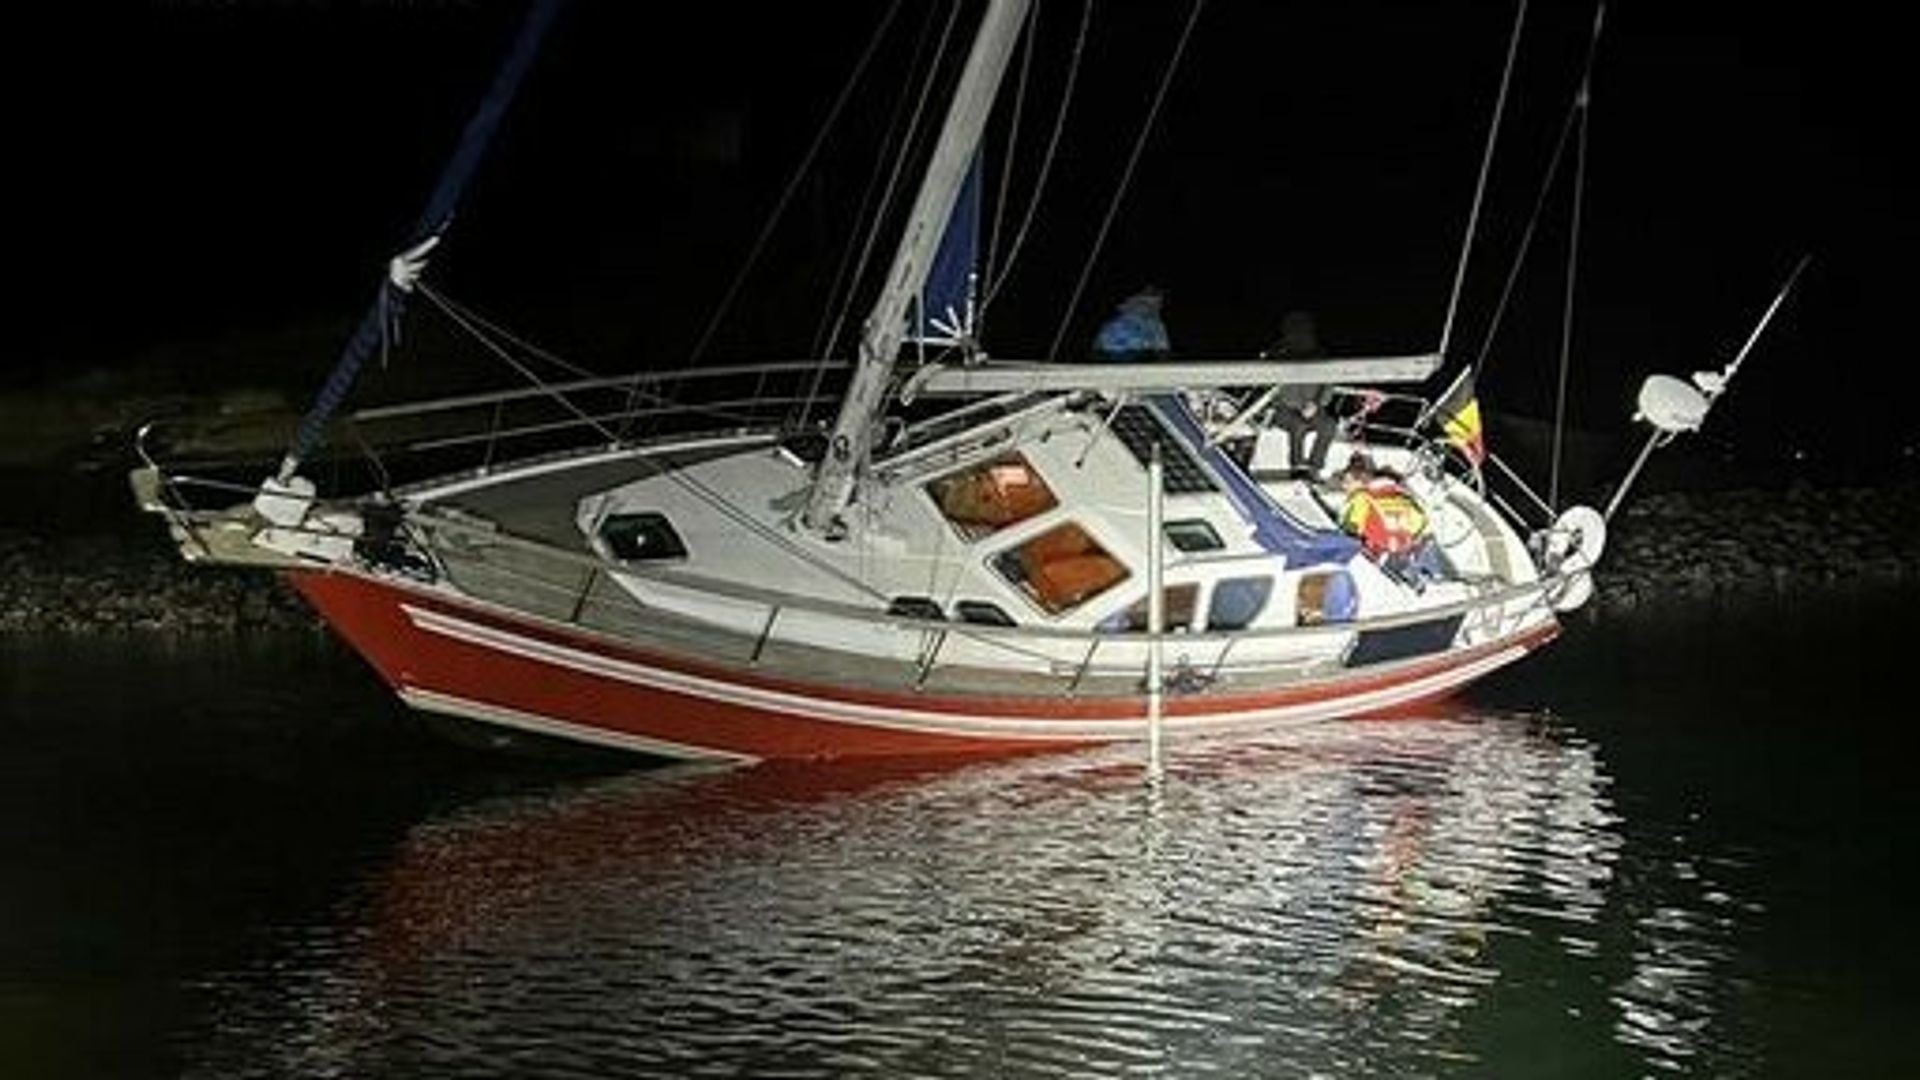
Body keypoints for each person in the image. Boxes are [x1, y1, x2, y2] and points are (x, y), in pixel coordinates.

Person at [1338, 452, 1443, 587]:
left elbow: (1347, 532)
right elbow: (1421, 525)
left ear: (1361, 482)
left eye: (1347, 482)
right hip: (1403, 555)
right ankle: (1430, 576)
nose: (1344, 487)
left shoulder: (1361, 499)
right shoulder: (1402, 496)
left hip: (1376, 562)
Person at [1261, 309, 1338, 477]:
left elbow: (1328, 384)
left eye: (1304, 328)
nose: (1300, 333)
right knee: (1298, 425)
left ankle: (1315, 467)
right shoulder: (1278, 354)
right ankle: (1296, 467)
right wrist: (1298, 405)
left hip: (1314, 408)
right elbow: (1274, 388)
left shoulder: (1320, 354)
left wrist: (1316, 404)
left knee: (1329, 426)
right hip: (1284, 409)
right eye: (1295, 328)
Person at [1091, 286, 1171, 361]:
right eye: (1143, 303)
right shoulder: (1115, 327)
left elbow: (1163, 353)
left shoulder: (1156, 325)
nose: (1153, 307)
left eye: (1158, 303)